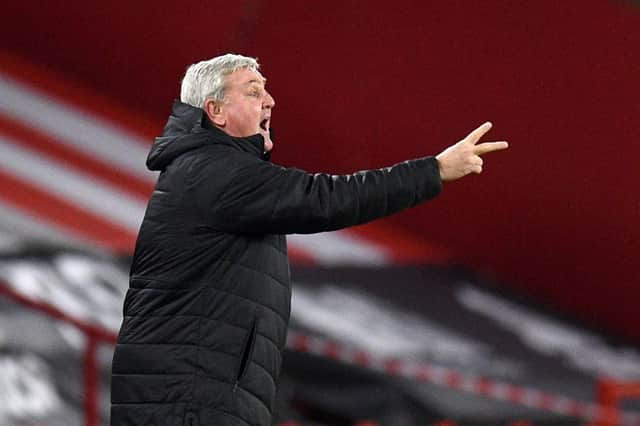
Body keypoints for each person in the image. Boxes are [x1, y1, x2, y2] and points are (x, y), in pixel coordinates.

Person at [110, 53, 508, 426]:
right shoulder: (215, 171)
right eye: (252, 91)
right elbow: (327, 199)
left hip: (193, 395)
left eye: (265, 89)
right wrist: (433, 171)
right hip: (188, 400)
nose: (269, 101)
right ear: (215, 112)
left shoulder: (211, 170)